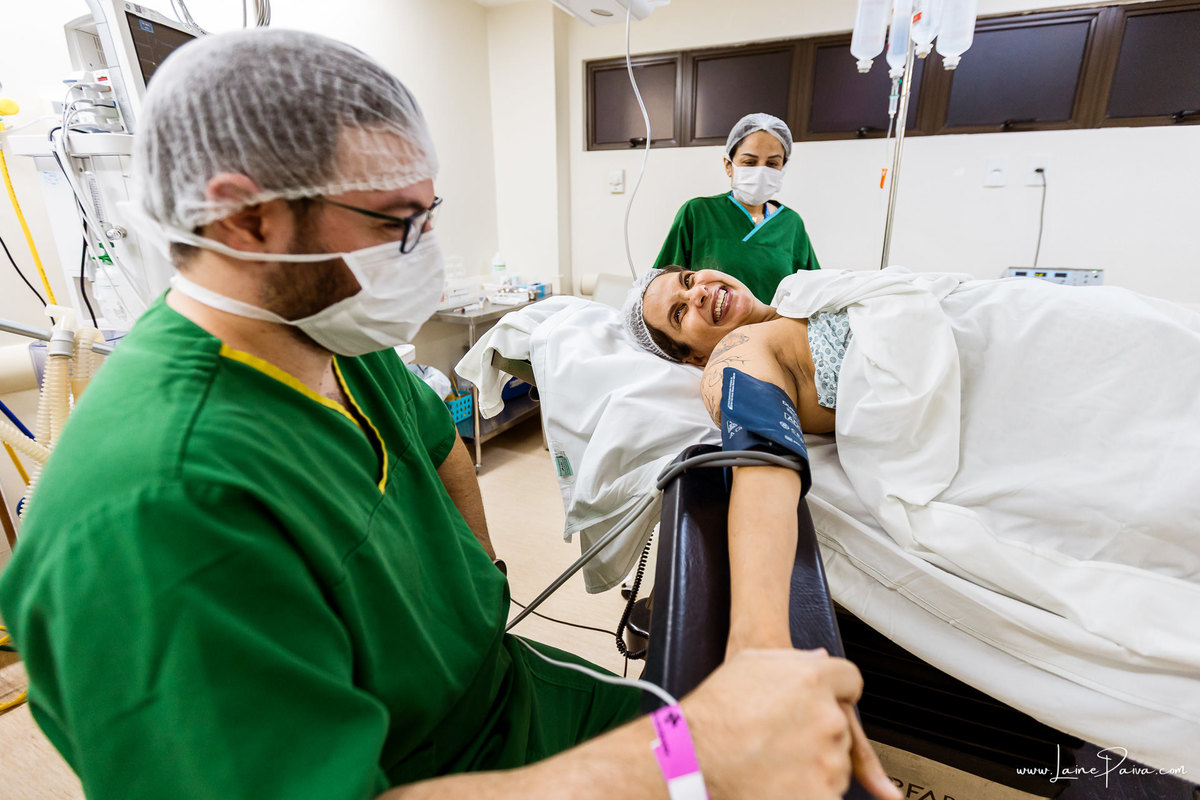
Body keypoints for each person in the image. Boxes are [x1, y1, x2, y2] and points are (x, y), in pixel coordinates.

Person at [0, 30, 902, 800]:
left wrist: (485, 598)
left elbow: (443, 452)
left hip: (511, 696)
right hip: (434, 773)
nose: (425, 252)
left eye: (431, 214)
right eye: (397, 223)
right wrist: (707, 751)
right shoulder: (155, 512)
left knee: (700, 743)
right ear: (243, 220)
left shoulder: (329, 341)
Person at [624, 265, 1200, 664]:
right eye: (680, 313)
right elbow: (760, 461)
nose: (697, 292)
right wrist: (759, 642)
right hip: (1002, 375)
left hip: (1017, 318)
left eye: (688, 278)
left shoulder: (795, 296)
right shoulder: (734, 355)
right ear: (693, 354)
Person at [652, 113, 819, 303]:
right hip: (712, 331)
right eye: (749, 162)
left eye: (772, 163)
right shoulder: (698, 212)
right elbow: (662, 286)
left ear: (782, 169)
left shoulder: (791, 223)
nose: (761, 171)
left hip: (773, 331)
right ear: (728, 165)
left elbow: (813, 291)